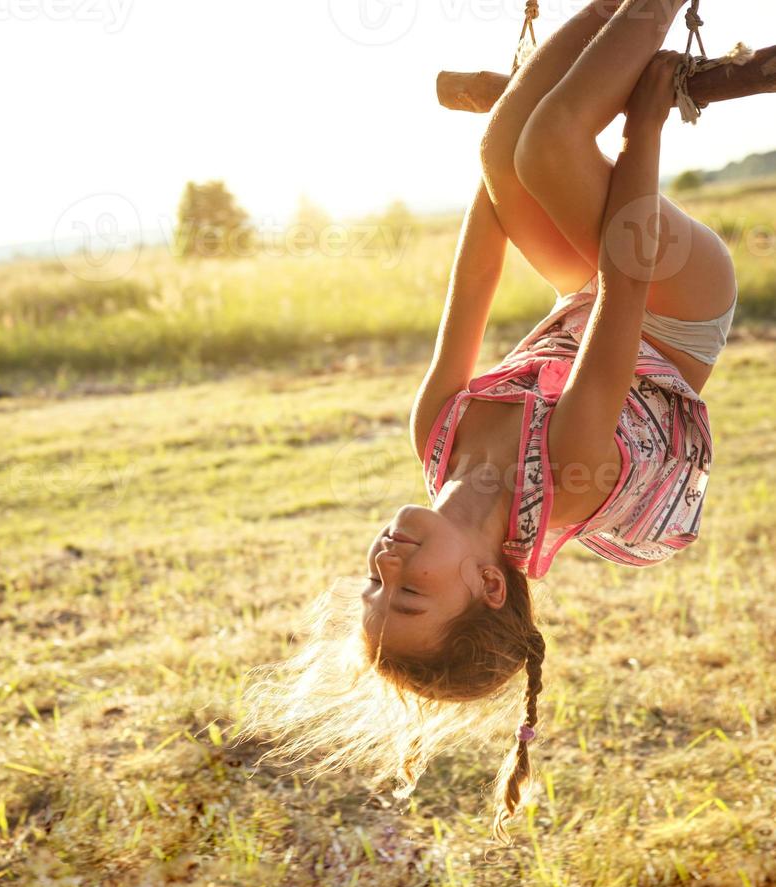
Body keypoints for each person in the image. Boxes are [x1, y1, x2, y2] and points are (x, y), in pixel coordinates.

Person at [233, 0, 738, 844]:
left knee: (516, 148)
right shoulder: (572, 478)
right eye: (413, 593)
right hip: (670, 307)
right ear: (489, 585)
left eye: (373, 590)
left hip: (591, 291)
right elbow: (626, 288)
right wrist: (640, 127)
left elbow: (470, 285)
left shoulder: (434, 433)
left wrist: (494, 158)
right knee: (549, 148)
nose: (385, 567)